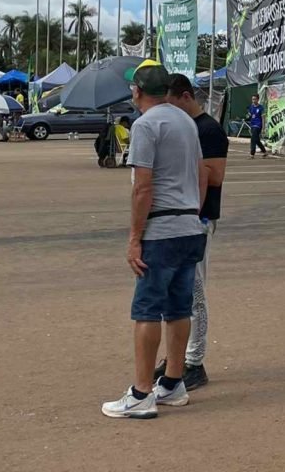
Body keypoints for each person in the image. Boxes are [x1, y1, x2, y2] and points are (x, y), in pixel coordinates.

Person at [101, 60, 208, 420]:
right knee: (179, 309)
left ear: (137, 91)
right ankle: (173, 382)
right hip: (190, 227)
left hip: (161, 231)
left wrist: (134, 237)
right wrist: (192, 211)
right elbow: (201, 173)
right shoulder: (185, 121)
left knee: (146, 309)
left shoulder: (146, 125)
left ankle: (142, 392)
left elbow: (142, 188)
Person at [156, 74, 229, 390]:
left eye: (172, 104)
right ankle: (176, 358)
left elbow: (215, 177)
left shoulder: (209, 130)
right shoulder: (181, 128)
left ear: (186, 97)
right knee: (175, 293)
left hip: (199, 219)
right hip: (176, 219)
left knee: (194, 293)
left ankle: (193, 362)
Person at [246, 93, 267, 158]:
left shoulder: (261, 108)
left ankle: (252, 154)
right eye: (252, 99)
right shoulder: (251, 107)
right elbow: (249, 116)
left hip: (258, 125)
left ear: (258, 99)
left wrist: (263, 128)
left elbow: (263, 118)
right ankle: (264, 152)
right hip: (252, 125)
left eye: (255, 99)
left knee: (253, 139)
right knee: (257, 140)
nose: (253, 101)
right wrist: (247, 117)